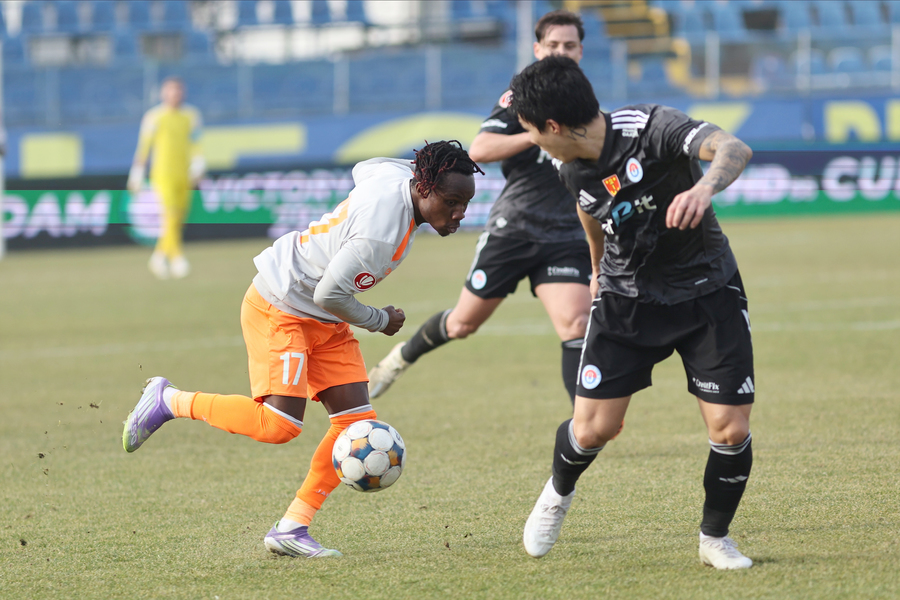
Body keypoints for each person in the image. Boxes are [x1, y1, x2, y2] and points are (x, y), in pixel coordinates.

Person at [122, 141, 483, 558]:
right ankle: (169, 400)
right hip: (283, 304)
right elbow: (331, 292)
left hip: (324, 318)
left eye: (466, 203)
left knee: (354, 424)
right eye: (452, 201)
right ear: (423, 188)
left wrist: (420, 167)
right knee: (279, 425)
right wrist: (380, 321)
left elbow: (366, 167)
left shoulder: (397, 179)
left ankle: (292, 528)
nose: (459, 213)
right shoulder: (381, 233)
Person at [509, 56, 756, 570]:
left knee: (730, 429)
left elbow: (734, 147)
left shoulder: (653, 128)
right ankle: (557, 492)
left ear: (553, 126)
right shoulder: (567, 165)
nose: (532, 140)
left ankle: (716, 539)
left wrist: (704, 186)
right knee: (593, 429)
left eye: (532, 132)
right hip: (626, 300)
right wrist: (598, 269)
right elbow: (588, 207)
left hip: (707, 288)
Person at [366, 10, 594, 406]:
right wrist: (536, 135)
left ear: (580, 50)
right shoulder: (522, 95)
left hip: (565, 234)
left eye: (569, 45)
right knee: (462, 323)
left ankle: (585, 425)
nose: (561, 51)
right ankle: (400, 358)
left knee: (576, 324)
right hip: (515, 229)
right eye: (553, 45)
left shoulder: (583, 100)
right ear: (538, 49)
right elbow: (481, 149)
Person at [128, 76, 205, 280]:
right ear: (163, 94)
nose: (175, 95)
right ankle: (177, 257)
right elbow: (144, 147)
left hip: (184, 173)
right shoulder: (154, 117)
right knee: (170, 214)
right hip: (162, 174)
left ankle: (159, 256)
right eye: (171, 91)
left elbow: (195, 142)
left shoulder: (191, 116)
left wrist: (198, 163)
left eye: (178, 91)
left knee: (178, 217)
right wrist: (137, 172)